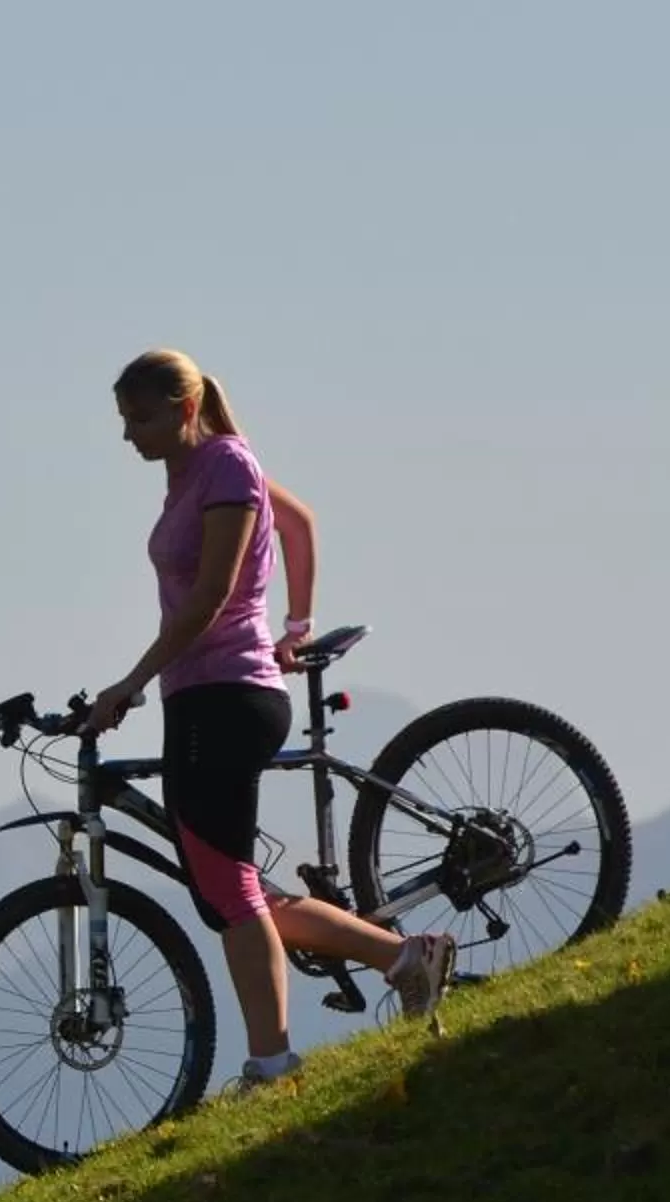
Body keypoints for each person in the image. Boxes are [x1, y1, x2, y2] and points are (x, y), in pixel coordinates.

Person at [84, 348, 454, 1088]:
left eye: (142, 418)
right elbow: (299, 524)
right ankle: (403, 957)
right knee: (234, 885)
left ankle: (273, 1061)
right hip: (199, 697)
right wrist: (294, 625)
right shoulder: (198, 474)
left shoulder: (225, 465)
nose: (130, 437)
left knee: (227, 889)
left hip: (224, 695)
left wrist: (127, 683)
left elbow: (211, 597)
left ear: (184, 409)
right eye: (124, 421)